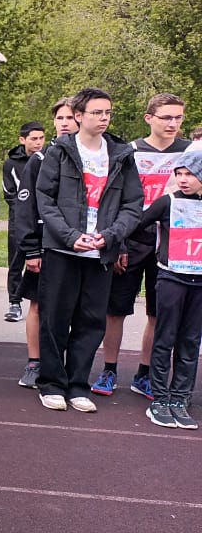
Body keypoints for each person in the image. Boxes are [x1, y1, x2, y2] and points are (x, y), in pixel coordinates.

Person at [34, 87, 142, 412]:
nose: (104, 118)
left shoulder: (122, 155)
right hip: (63, 251)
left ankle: (78, 385)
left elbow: (133, 205)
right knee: (55, 319)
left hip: (100, 254)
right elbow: (45, 200)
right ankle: (52, 384)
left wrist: (110, 236)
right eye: (97, 112)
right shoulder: (59, 151)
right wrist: (70, 237)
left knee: (92, 321)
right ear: (79, 116)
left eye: (108, 112)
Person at [94, 93, 190, 398]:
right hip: (132, 239)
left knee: (158, 313)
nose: (173, 123)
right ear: (149, 118)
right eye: (166, 117)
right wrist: (118, 242)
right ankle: (109, 370)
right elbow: (115, 200)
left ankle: (144, 374)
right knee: (116, 310)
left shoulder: (190, 152)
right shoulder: (130, 152)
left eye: (178, 117)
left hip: (171, 243)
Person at [13, 99, 79, 388]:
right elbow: (25, 206)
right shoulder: (40, 159)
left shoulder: (91, 158)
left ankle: (67, 365)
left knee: (73, 310)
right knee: (38, 306)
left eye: (70, 117)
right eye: (59, 118)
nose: (64, 123)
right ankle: (34, 362)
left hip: (77, 247)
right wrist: (31, 249)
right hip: (44, 246)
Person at [135, 151, 202, 429]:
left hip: (199, 284)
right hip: (171, 278)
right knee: (165, 339)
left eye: (190, 174)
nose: (183, 180)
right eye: (179, 174)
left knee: (190, 342)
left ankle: (180, 398)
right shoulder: (168, 202)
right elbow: (137, 225)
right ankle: (160, 399)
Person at [3, 122, 47, 322]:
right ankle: (14, 302)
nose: (38, 142)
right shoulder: (11, 164)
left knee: (39, 262)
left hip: (42, 222)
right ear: (23, 140)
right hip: (18, 221)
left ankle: (39, 301)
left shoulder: (48, 159)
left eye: (41, 138)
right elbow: (10, 193)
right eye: (33, 139)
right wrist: (24, 213)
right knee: (15, 262)